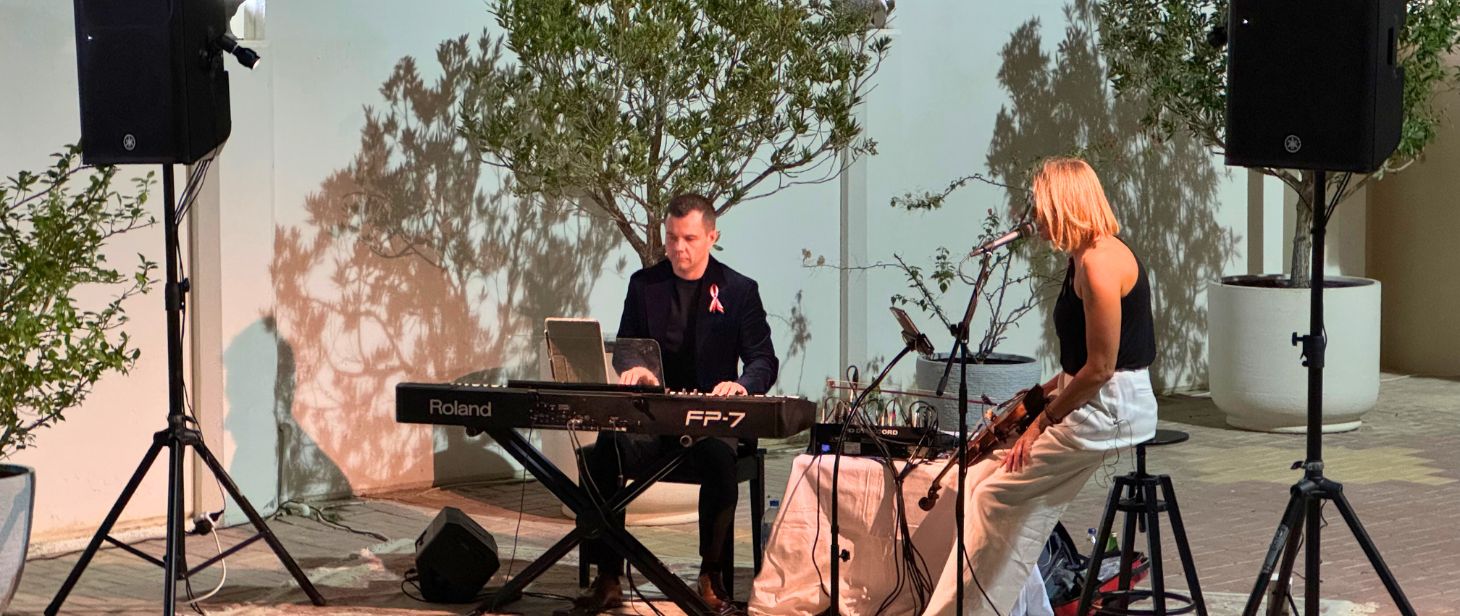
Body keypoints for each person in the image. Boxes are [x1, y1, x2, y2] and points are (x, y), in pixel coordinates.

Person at [921, 157, 1158, 615]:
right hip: (1093, 401)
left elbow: (1101, 368)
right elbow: (1080, 364)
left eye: (1042, 207)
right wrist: (1037, 397)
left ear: (1064, 205)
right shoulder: (1081, 258)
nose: (1037, 218)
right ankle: (1018, 607)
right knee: (981, 482)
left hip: (1111, 410)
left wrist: (1039, 424)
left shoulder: (1100, 263)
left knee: (993, 498)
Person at [572, 193, 779, 613]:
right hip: (656, 421)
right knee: (602, 453)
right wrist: (637, 369)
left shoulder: (739, 290)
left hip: (711, 423)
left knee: (719, 462)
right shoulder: (644, 285)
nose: (678, 248)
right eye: (671, 238)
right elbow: (626, 349)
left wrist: (741, 385)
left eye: (689, 238)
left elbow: (763, 360)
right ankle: (608, 577)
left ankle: (710, 576)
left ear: (712, 237)